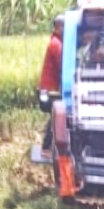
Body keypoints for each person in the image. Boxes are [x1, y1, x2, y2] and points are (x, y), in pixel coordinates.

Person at [38, 14, 64, 151]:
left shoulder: (56, 42)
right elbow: (63, 66)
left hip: (49, 88)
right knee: (56, 115)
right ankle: (47, 146)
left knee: (55, 116)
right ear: (59, 27)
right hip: (50, 89)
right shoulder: (56, 44)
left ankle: (48, 146)